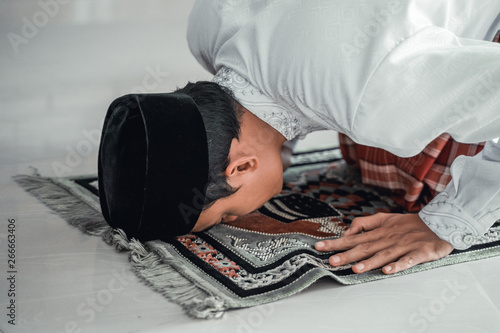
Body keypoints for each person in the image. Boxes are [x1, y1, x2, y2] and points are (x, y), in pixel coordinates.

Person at [98, 0, 500, 276]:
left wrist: (448, 224)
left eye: (227, 215)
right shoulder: (208, 23)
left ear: (241, 165)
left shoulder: (371, 100)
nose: (237, 219)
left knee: (420, 181)